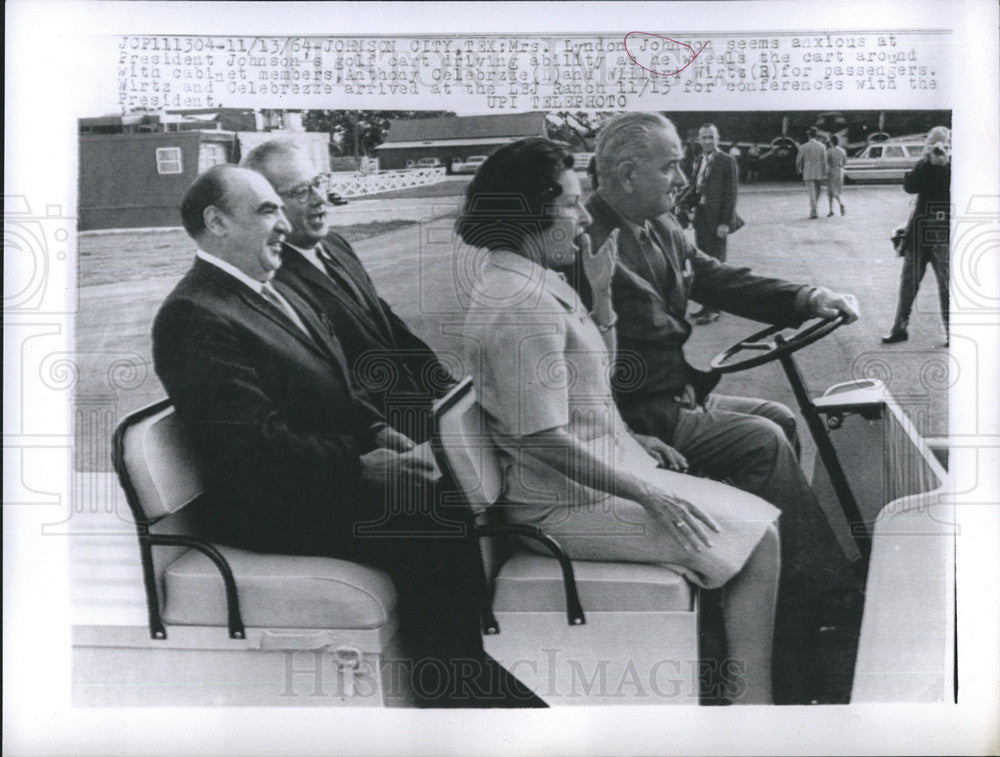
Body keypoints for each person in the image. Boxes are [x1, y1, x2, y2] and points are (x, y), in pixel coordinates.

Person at [152, 165, 494, 707]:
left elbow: (336, 386)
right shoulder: (195, 313)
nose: (283, 223)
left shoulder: (266, 289)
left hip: (314, 482)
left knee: (451, 501)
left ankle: (462, 672)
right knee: (432, 525)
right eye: (266, 210)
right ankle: (452, 701)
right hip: (272, 508)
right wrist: (361, 465)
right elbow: (249, 447)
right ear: (215, 222)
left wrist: (377, 429)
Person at [459, 137, 781, 704]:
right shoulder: (519, 301)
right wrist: (645, 492)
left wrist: (602, 295)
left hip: (594, 476)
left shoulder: (533, 280)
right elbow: (540, 438)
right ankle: (753, 706)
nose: (584, 217)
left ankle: (737, 692)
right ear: (528, 212)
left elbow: (592, 381)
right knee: (759, 543)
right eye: (570, 204)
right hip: (561, 504)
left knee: (758, 532)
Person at [581, 112, 864, 703]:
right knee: (761, 439)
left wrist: (806, 297)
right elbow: (574, 363)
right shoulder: (585, 240)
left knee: (777, 418)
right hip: (637, 416)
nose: (681, 175)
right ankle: (823, 596)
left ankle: (774, 584)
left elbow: (714, 277)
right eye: (670, 165)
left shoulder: (655, 223)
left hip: (670, 397)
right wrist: (622, 434)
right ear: (628, 175)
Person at [241, 139, 456, 445]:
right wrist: (380, 432)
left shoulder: (336, 245)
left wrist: (443, 383)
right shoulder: (271, 281)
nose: (320, 199)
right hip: (379, 437)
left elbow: (387, 322)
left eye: (318, 183)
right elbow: (321, 378)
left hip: (421, 409)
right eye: (301, 192)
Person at [882, 126, 951, 347]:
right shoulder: (925, 163)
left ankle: (953, 331)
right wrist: (925, 161)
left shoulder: (956, 164)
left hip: (943, 228)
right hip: (921, 230)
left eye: (942, 145)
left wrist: (945, 164)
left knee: (947, 285)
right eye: (933, 144)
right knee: (908, 283)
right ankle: (899, 327)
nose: (938, 149)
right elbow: (910, 186)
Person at [690, 124, 742, 324]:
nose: (707, 141)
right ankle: (706, 305)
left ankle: (716, 308)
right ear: (699, 140)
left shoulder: (726, 161)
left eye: (711, 137)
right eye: (703, 137)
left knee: (717, 264)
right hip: (701, 218)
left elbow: (731, 194)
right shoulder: (699, 160)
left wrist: (725, 223)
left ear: (717, 139)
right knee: (703, 264)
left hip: (717, 220)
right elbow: (695, 188)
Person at [796, 127, 828, 219]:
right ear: (816, 136)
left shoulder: (803, 147)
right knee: (818, 192)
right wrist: (824, 172)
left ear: (808, 136)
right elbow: (824, 161)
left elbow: (798, 160)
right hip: (819, 171)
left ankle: (813, 211)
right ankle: (814, 209)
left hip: (808, 171)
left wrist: (798, 169)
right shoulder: (822, 146)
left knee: (811, 193)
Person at [825, 135, 848, 217]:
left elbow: (826, 163)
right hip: (840, 171)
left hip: (831, 172)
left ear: (831, 142)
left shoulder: (828, 151)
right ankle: (835, 207)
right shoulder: (842, 151)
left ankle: (834, 208)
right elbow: (845, 162)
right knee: (837, 190)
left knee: (831, 191)